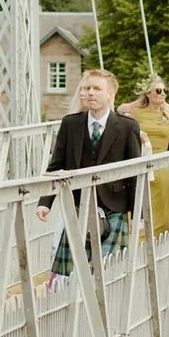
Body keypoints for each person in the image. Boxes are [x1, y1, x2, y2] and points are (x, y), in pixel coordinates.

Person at [38, 68, 144, 275]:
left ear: (111, 94)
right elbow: (56, 165)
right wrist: (45, 203)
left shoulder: (127, 127)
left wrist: (139, 215)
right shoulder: (70, 124)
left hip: (115, 207)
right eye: (87, 88)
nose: (91, 93)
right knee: (73, 273)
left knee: (106, 271)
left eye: (97, 88)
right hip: (79, 206)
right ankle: (79, 307)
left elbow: (135, 173)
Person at [120, 75, 169, 236]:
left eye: (165, 91)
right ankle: (138, 245)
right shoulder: (136, 112)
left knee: (162, 208)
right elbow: (119, 111)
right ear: (148, 93)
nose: (162, 94)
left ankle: (159, 242)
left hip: (162, 166)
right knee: (139, 205)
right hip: (142, 164)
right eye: (158, 90)